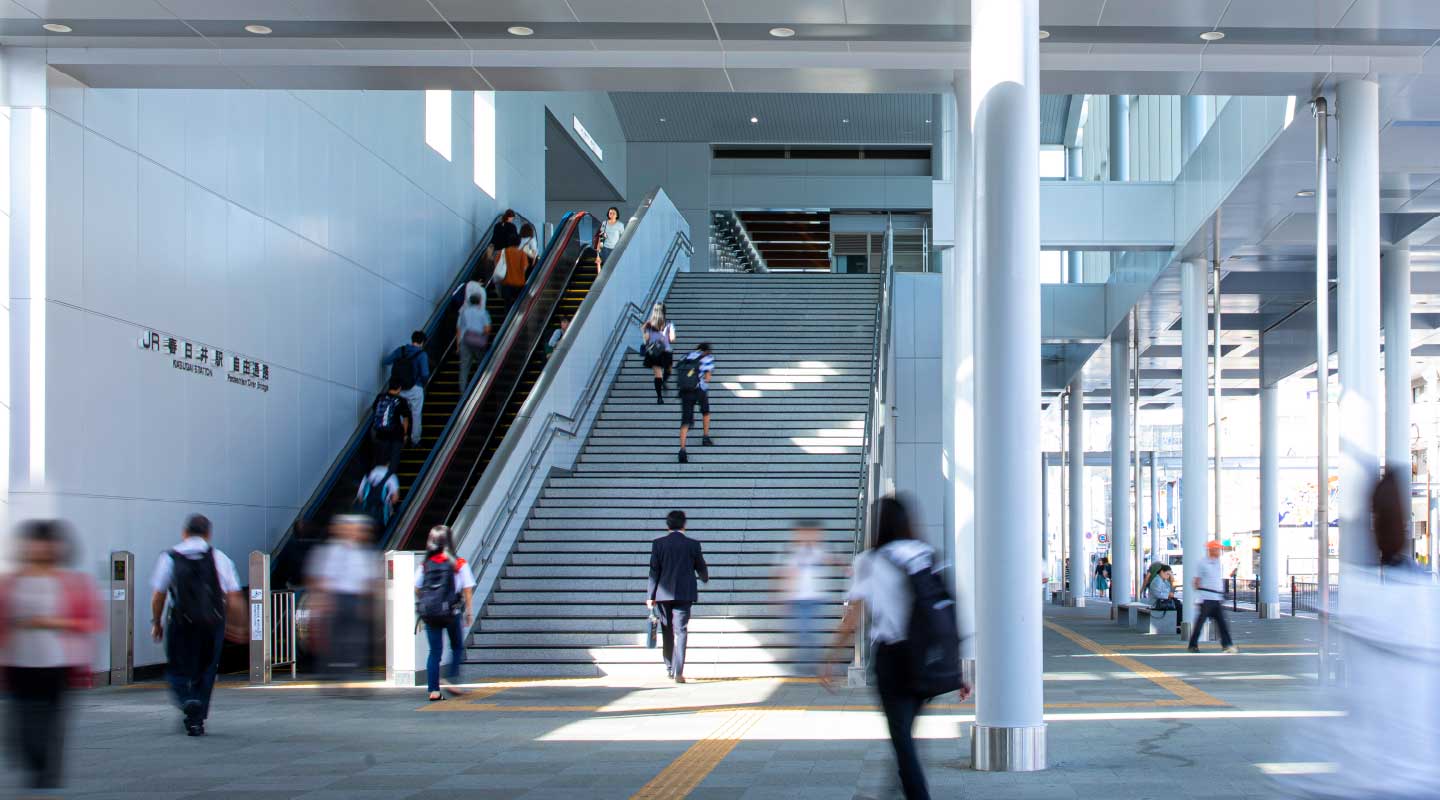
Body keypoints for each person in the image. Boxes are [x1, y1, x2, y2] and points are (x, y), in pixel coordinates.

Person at [821, 496, 968, 800]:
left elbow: (853, 617)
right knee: (904, 736)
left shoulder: (869, 561)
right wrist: (958, 669)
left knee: (902, 738)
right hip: (928, 659)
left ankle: (916, 795)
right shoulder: (926, 554)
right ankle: (891, 791)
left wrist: (831, 658)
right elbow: (945, 615)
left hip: (893, 660)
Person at [0, 520, 102, 791]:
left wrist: (53, 622)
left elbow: (91, 622)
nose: (41, 547)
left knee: (49, 731)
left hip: (58, 666)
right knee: (21, 734)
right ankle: (38, 777)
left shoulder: (73, 583)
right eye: (35, 541)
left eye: (47, 542)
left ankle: (44, 786)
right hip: (17, 665)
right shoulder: (11, 583)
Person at [149, 514, 243, 736]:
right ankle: (196, 720)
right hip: (212, 622)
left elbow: (158, 595)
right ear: (209, 534)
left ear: (184, 533)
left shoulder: (170, 557)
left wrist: (157, 622)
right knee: (207, 670)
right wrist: (238, 624)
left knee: (176, 668)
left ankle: (186, 699)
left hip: (181, 622)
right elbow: (234, 596)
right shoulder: (220, 558)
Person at [304, 515, 380, 684]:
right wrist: (320, 599)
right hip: (335, 598)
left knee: (355, 636)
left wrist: (368, 601)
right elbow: (318, 577)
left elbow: (370, 579)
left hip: (355, 599)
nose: (355, 532)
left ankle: (351, 671)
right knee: (334, 636)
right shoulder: (329, 550)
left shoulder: (364, 552)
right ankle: (329, 671)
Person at [646, 510, 709, 683]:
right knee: (681, 631)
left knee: (667, 630)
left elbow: (654, 570)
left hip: (663, 594)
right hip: (684, 593)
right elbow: (701, 566)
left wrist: (650, 595)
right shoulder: (693, 544)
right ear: (684, 525)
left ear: (667, 525)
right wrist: (704, 577)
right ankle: (679, 671)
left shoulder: (658, 544)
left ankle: (669, 667)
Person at [415, 526, 475, 701]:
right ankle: (450, 678)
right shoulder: (459, 563)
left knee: (434, 651)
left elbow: (416, 586)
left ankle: (433, 691)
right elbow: (467, 590)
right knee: (456, 646)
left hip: (430, 613)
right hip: (451, 611)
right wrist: (469, 612)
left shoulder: (426, 563)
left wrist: (429, 601)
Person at [781, 520, 839, 666]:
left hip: (814, 598)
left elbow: (832, 560)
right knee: (803, 631)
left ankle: (810, 663)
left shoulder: (818, 551)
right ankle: (806, 662)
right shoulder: (795, 552)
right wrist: (786, 594)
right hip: (798, 598)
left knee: (808, 630)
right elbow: (789, 573)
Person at [1187, 540, 1237, 653]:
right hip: (1206, 599)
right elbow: (1196, 581)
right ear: (1211, 550)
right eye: (1217, 549)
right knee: (1200, 624)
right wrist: (1199, 594)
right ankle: (1193, 645)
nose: (1219, 551)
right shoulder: (1202, 563)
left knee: (1222, 623)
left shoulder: (1218, 563)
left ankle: (1227, 645)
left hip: (1216, 598)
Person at [382, 331, 429, 446]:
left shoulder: (401, 350)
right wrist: (422, 383)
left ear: (412, 339)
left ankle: (401, 437)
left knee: (402, 413)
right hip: (415, 388)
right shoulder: (422, 355)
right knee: (416, 414)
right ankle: (415, 440)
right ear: (422, 342)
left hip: (399, 389)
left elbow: (386, 361)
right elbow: (425, 374)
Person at [676, 342, 715, 464]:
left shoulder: (685, 356)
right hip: (699, 390)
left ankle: (682, 450)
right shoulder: (707, 358)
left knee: (685, 421)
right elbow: (708, 378)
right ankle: (705, 437)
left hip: (685, 391)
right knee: (705, 412)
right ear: (706, 351)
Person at [369, 379, 412, 472]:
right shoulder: (400, 400)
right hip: (395, 437)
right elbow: (406, 418)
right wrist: (405, 434)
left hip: (380, 435)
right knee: (393, 461)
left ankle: (378, 481)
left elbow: (374, 409)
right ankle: (389, 479)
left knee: (380, 461)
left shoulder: (380, 397)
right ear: (399, 388)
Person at [456, 284, 492, 389]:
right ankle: (482, 388)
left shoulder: (464, 313)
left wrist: (458, 345)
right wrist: (485, 337)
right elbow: (487, 328)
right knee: (482, 365)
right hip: (478, 341)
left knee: (464, 368)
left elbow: (459, 329)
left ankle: (463, 393)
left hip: (465, 341)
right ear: (480, 301)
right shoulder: (483, 312)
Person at [642, 303, 676, 404]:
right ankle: (664, 381)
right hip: (666, 351)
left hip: (654, 353)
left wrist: (644, 331)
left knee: (657, 375)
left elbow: (646, 339)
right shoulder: (669, 323)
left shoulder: (648, 325)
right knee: (668, 370)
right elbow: (673, 339)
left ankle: (659, 398)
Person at [496, 222, 537, 307]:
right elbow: (525, 267)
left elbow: (497, 266)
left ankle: (508, 317)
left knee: (507, 303)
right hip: (519, 282)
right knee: (519, 302)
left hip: (506, 282)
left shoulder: (503, 252)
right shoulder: (523, 252)